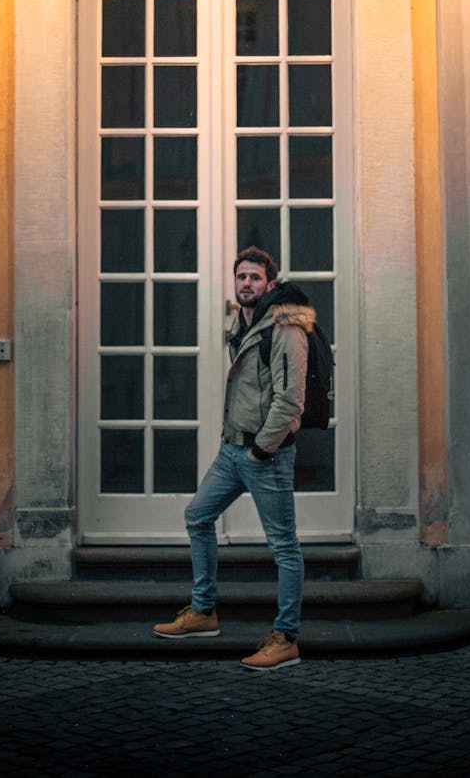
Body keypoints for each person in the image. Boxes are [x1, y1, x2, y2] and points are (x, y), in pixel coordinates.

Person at [154, 245, 314, 671]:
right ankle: (204, 612)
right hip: (233, 450)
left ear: (270, 283)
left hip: (266, 455)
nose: (247, 283)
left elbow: (291, 399)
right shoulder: (241, 322)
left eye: (255, 278)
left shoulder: (285, 328)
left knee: (284, 546)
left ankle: (286, 637)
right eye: (241, 277)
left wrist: (263, 447)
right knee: (198, 516)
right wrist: (239, 445)